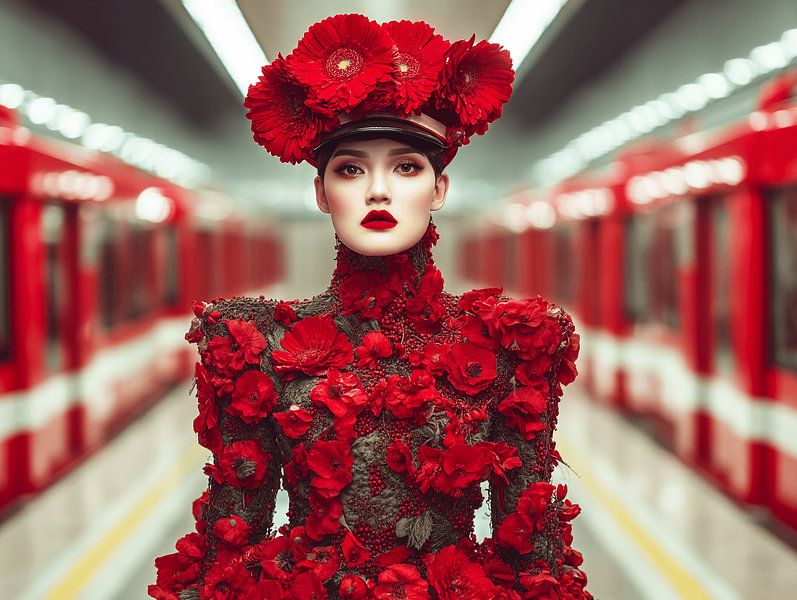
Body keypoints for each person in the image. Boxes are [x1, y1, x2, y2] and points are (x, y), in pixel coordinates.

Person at [149, 14, 591, 600]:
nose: (377, 190)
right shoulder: (253, 346)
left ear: (439, 190)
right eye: (351, 169)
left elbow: (533, 561)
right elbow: (230, 550)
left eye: (406, 167)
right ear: (321, 192)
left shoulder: (511, 344)